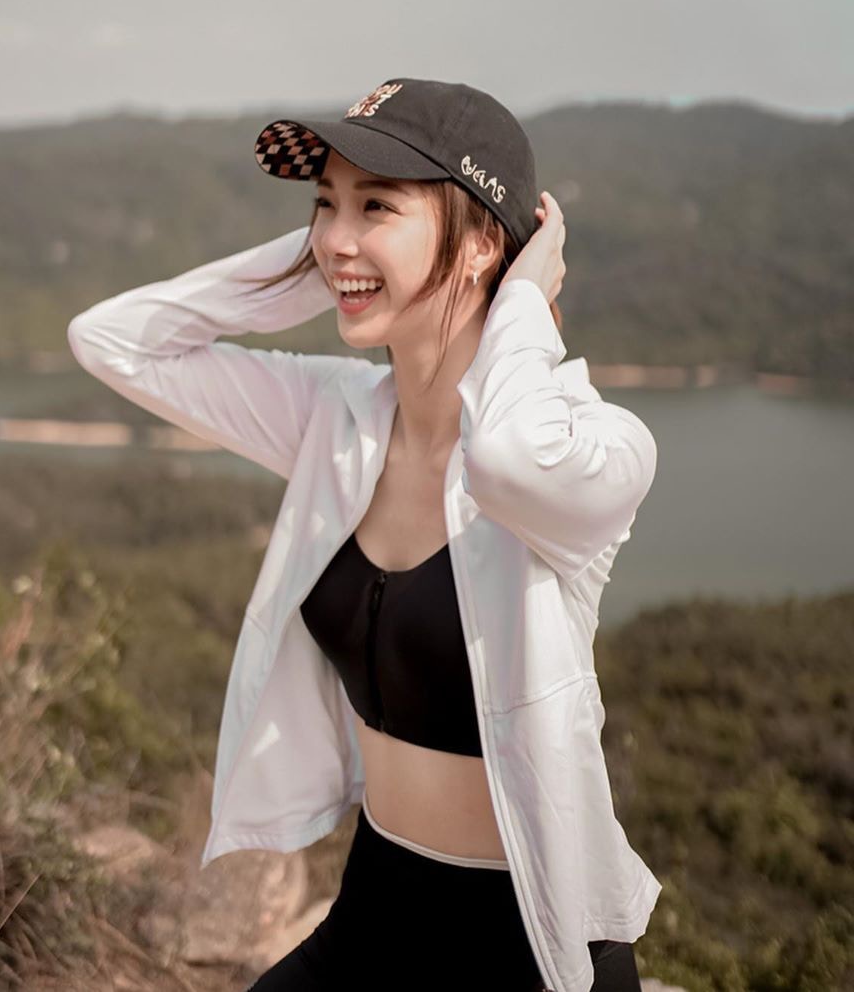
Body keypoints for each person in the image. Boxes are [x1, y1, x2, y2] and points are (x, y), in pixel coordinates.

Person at [67, 78, 662, 992]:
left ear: (481, 244)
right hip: (374, 915)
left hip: (530, 950)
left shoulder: (594, 447)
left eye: (377, 204)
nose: (336, 232)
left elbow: (503, 457)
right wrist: (341, 263)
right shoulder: (335, 418)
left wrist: (518, 302)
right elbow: (113, 340)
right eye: (324, 204)